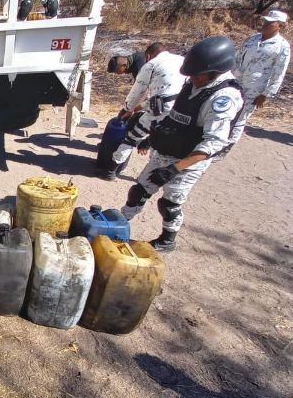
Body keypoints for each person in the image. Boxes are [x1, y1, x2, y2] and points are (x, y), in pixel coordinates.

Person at [120, 36, 244, 252]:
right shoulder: (195, 82)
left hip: (189, 159)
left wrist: (174, 169)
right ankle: (119, 225)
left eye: (196, 75)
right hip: (167, 150)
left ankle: (167, 240)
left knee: (169, 203)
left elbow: (213, 143)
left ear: (215, 70)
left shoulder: (223, 98)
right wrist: (152, 135)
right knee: (139, 191)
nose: (191, 79)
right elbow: (176, 110)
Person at [99, 43, 188, 180]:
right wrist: (136, 109)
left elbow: (137, 93)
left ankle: (110, 172)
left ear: (148, 55)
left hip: (160, 109)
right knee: (162, 144)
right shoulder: (182, 60)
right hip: (181, 110)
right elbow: (165, 96)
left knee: (131, 138)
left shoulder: (151, 64)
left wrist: (126, 110)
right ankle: (152, 171)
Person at [226, 9, 291, 150]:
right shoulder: (252, 39)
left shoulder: (282, 46)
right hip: (236, 82)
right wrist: (230, 75)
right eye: (265, 21)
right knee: (228, 111)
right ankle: (220, 140)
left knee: (241, 117)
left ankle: (228, 145)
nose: (265, 24)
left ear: (279, 25)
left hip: (255, 87)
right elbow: (238, 57)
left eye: (270, 22)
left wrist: (266, 94)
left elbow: (279, 72)